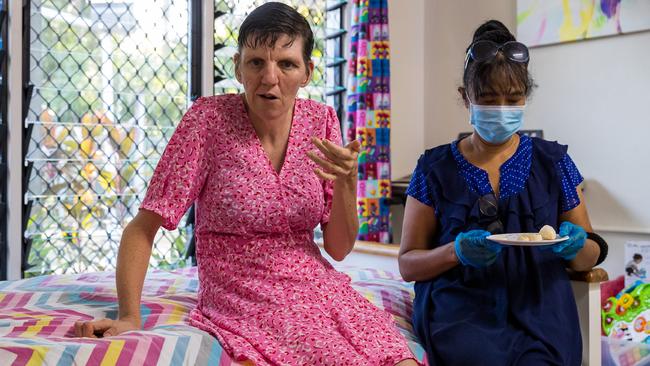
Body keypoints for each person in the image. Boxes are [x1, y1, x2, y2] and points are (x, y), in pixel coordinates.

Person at [74, 3, 418, 365]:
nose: (270, 78)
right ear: (237, 67)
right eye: (256, 63)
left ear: (307, 72)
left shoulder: (322, 120)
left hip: (317, 281)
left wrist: (347, 182)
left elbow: (338, 249)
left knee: (398, 356)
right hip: (241, 289)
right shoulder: (207, 121)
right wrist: (129, 315)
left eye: (287, 64)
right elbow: (143, 228)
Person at [398, 20, 608, 366]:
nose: (501, 108)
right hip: (460, 314)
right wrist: (456, 251)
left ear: (526, 98)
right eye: (488, 98)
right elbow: (408, 265)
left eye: (513, 99)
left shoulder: (553, 162)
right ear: (465, 97)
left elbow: (589, 252)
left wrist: (575, 245)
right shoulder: (434, 168)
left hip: (542, 312)